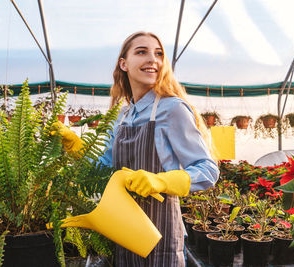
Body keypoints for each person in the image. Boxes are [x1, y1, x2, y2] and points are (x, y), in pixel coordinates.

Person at [55, 31, 219, 267]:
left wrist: (162, 181)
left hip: (160, 232)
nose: (153, 59)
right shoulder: (122, 117)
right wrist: (75, 146)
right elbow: (104, 169)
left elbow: (207, 169)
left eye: (158, 53)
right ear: (124, 63)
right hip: (122, 230)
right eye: (142, 52)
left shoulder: (172, 109)